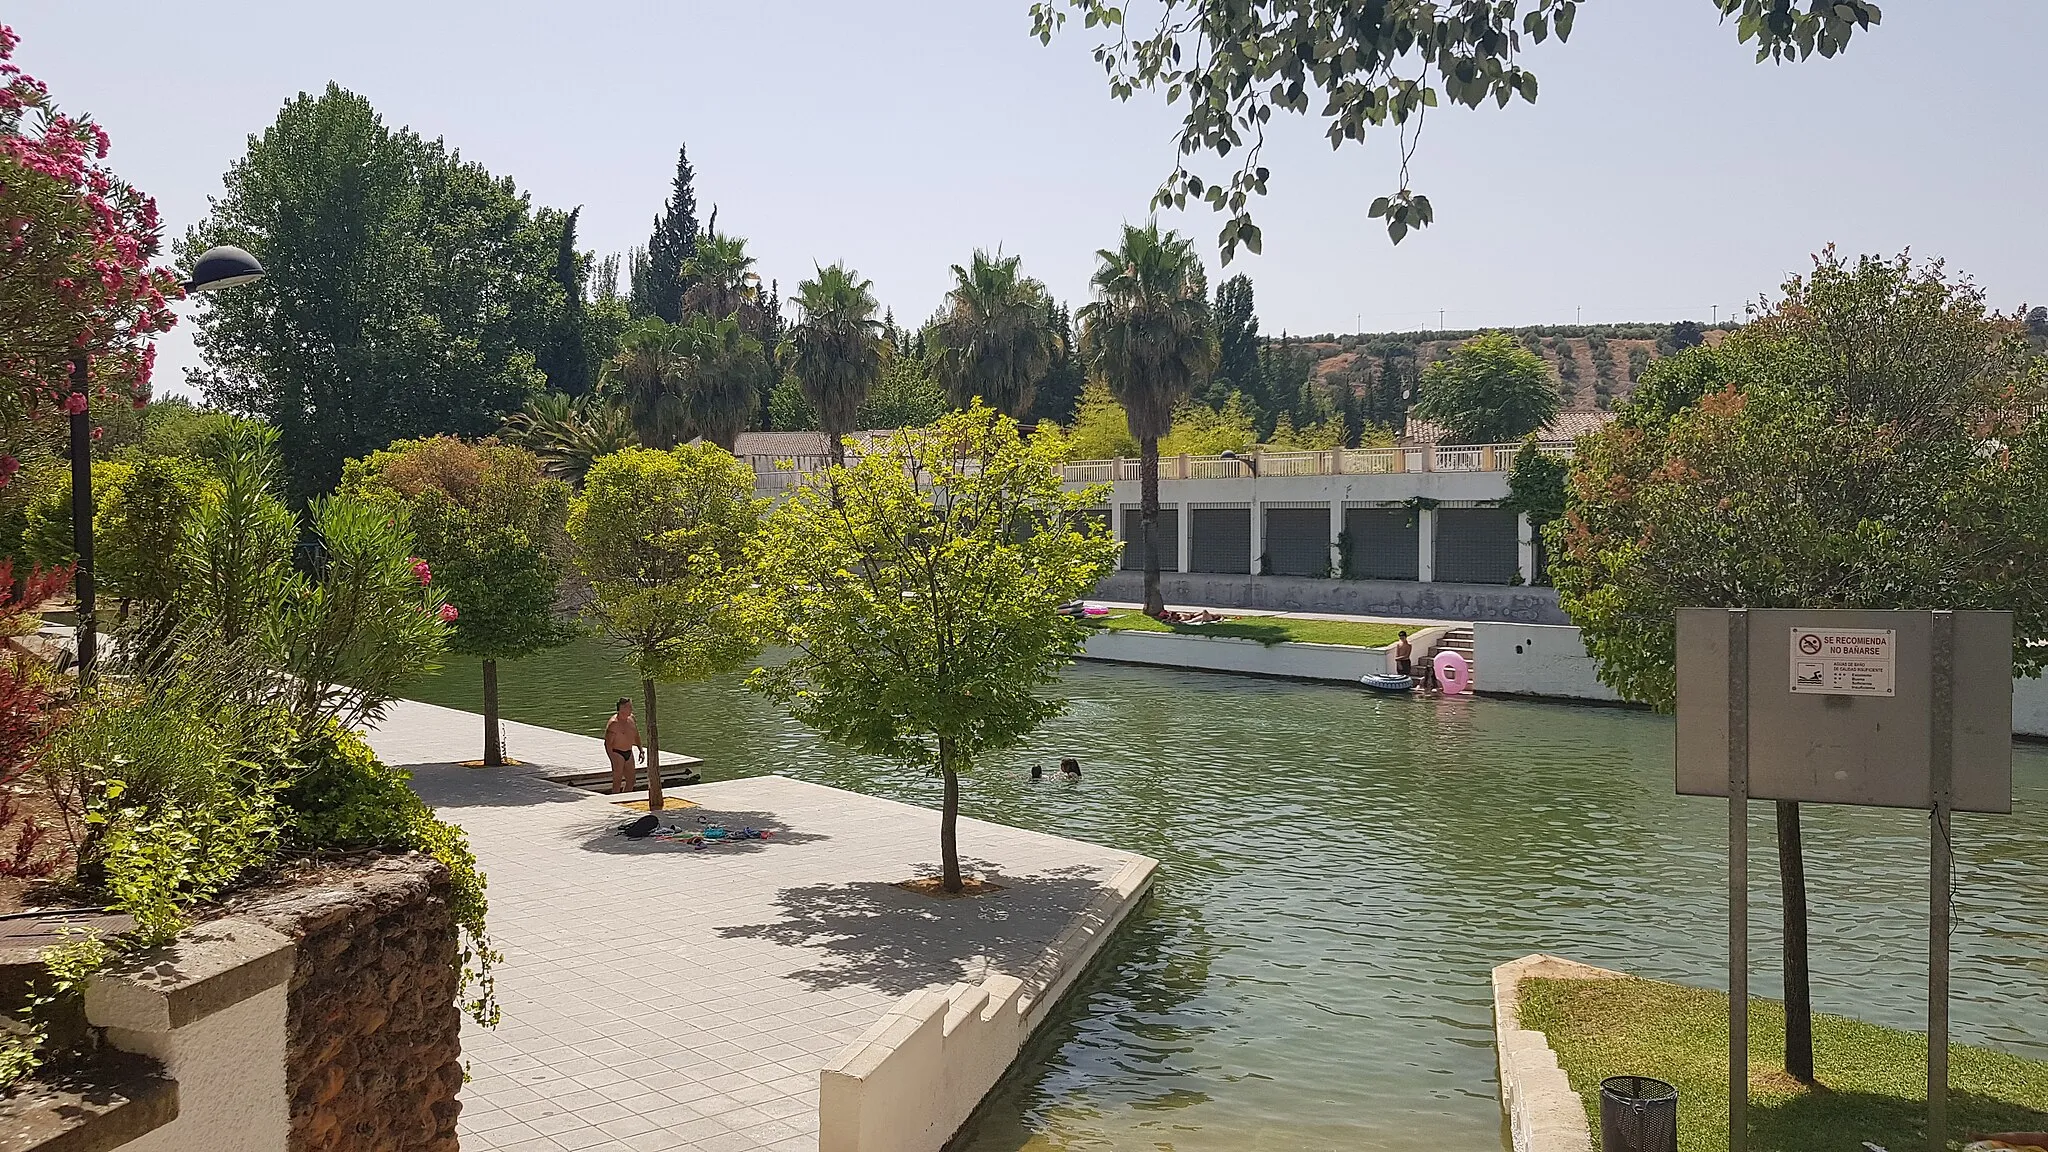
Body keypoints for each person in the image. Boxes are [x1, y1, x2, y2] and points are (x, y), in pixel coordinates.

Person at [604, 698, 641, 794]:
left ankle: (626, 798)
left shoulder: (632, 719)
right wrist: (612, 758)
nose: (631, 709)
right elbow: (607, 743)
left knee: (631, 781)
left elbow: (636, 734)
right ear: (621, 708)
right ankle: (615, 801)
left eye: (631, 706)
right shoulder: (614, 723)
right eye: (628, 707)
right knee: (617, 782)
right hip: (617, 752)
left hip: (629, 751)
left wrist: (640, 749)